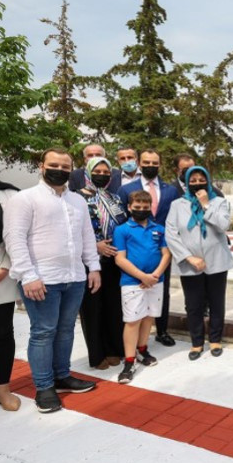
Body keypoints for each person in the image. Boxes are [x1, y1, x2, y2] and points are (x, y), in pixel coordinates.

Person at [3, 148, 101, 413]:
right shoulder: (25, 199)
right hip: (41, 280)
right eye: (54, 164)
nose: (60, 169)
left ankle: (61, 376)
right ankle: (44, 387)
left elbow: (87, 237)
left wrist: (93, 267)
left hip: (74, 278)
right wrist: (28, 275)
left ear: (71, 169)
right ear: (41, 166)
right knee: (44, 332)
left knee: (66, 329)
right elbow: (14, 238)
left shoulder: (78, 201)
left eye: (65, 166)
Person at [165, 166, 233, 360]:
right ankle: (196, 342)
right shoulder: (177, 204)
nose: (197, 183)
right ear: (187, 182)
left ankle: (215, 339)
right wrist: (189, 257)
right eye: (192, 180)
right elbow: (171, 234)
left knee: (216, 302)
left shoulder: (218, 202)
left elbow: (223, 226)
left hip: (217, 261)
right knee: (193, 304)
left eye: (201, 179)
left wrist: (206, 205)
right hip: (190, 263)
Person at [118, 149, 180, 347]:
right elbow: (120, 217)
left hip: (161, 251)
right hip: (134, 250)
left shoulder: (170, 190)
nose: (150, 166)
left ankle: (162, 331)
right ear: (139, 163)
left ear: (159, 165)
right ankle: (132, 337)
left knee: (162, 291)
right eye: (146, 162)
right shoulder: (127, 189)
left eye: (154, 162)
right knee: (134, 296)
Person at [75, 157, 128, 370]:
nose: (103, 175)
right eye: (98, 171)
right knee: (92, 309)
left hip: (114, 260)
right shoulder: (76, 198)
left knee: (114, 307)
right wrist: (96, 245)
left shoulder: (114, 198)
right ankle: (97, 355)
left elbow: (123, 225)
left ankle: (115, 349)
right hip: (89, 260)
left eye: (107, 172)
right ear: (88, 172)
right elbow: (71, 228)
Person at [113, 190, 171, 383]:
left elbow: (166, 254)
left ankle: (142, 349)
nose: (141, 210)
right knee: (132, 320)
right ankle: (129, 361)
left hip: (155, 281)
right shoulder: (122, 230)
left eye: (145, 208)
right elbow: (120, 259)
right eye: (137, 208)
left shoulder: (159, 229)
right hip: (133, 283)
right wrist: (142, 276)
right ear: (129, 208)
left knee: (148, 317)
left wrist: (155, 275)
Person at [0, 177, 20, 411]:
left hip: (1, 274)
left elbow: (17, 233)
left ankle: (2, 388)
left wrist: (4, 266)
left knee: (2, 333)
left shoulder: (9, 194)